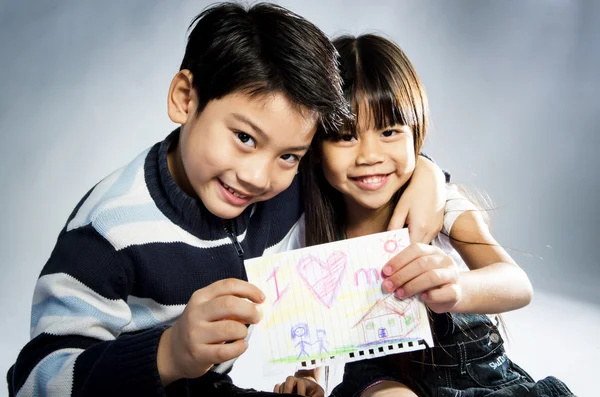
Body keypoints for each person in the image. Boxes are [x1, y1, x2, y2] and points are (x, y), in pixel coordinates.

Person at [6, 5, 449, 397]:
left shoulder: (289, 182)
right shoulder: (109, 229)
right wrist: (168, 353)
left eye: (289, 155)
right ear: (185, 98)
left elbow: (364, 163)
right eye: (243, 138)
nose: (257, 176)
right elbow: (34, 381)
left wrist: (428, 176)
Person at [274, 34, 574, 397]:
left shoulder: (442, 204)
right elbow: (315, 317)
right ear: (316, 148)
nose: (369, 155)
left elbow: (517, 284)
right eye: (346, 137)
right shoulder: (312, 228)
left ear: (416, 133)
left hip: (479, 372)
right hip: (382, 377)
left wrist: (457, 289)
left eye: (389, 132)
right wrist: (309, 376)